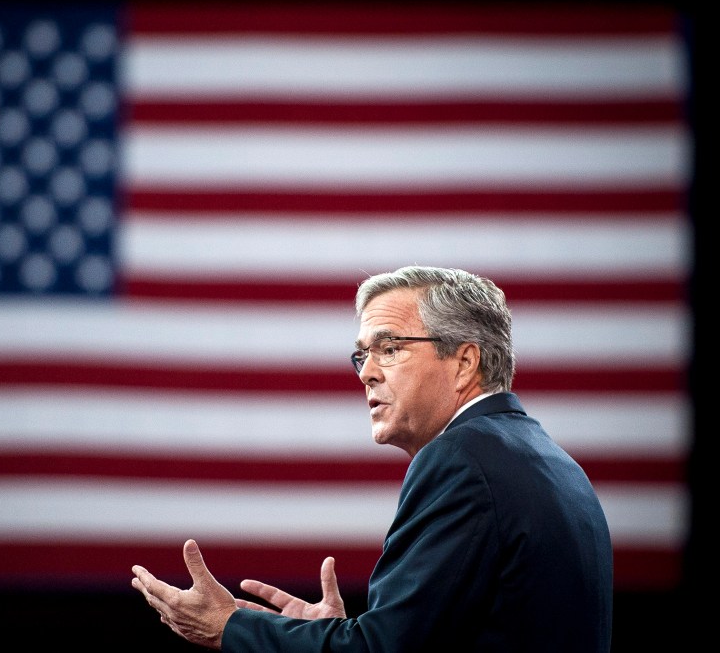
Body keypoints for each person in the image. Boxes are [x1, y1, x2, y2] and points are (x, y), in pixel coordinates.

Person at [131, 265, 613, 652]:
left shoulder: (460, 461)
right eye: (363, 355)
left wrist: (230, 627)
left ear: (465, 363)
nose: (367, 374)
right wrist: (334, 634)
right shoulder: (555, 464)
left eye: (390, 347)